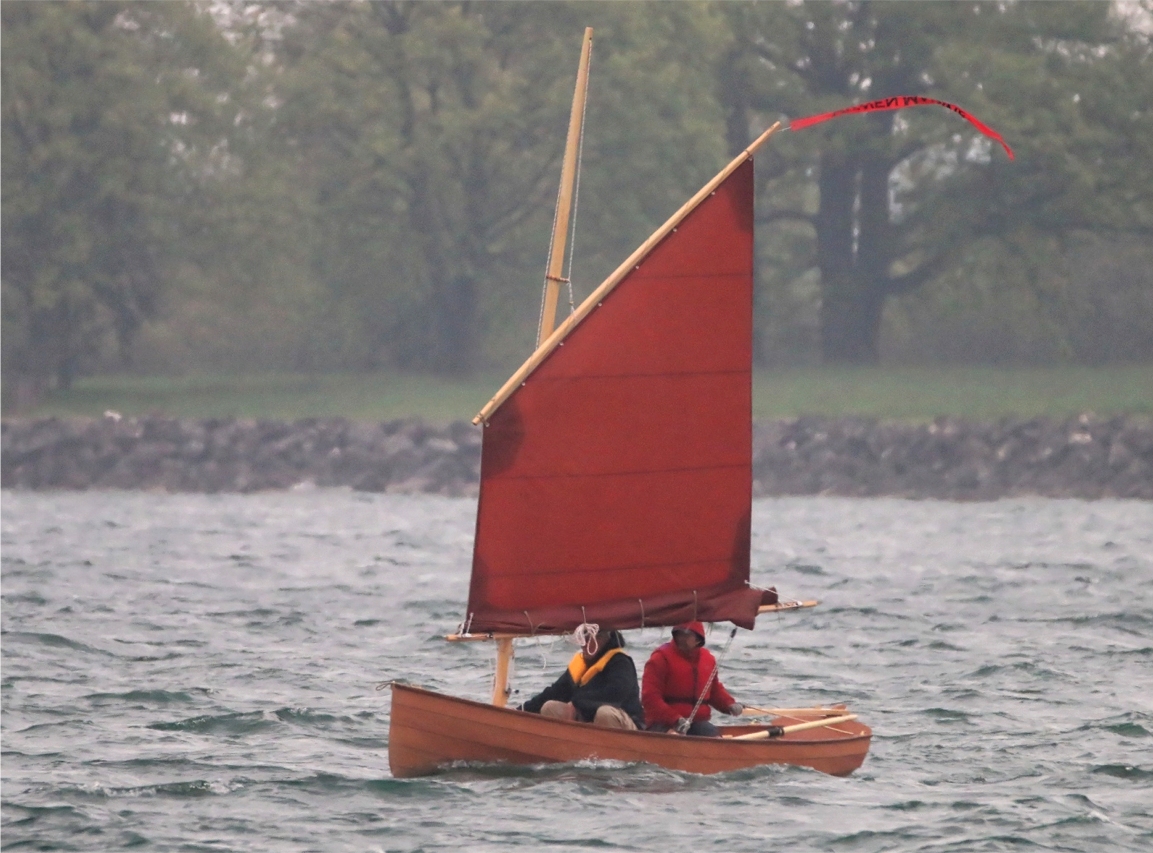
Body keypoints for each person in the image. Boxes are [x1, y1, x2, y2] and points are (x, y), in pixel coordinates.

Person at [518, 626, 644, 730]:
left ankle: (611, 753)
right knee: (550, 707)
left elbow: (615, 694)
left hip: (626, 726)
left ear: (603, 639)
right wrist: (521, 711)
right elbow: (554, 692)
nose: (583, 645)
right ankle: (564, 749)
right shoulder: (581, 665)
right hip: (589, 723)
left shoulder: (621, 662)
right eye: (582, 639)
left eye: (588, 639)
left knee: (604, 714)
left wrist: (577, 703)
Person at [641, 621, 743, 737]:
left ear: (698, 639)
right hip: (663, 723)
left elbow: (714, 690)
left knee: (715, 739)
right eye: (679, 634)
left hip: (697, 722)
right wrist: (675, 719)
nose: (682, 638)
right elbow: (650, 698)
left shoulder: (708, 659)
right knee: (675, 738)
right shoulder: (660, 658)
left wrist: (729, 704)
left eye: (687, 635)